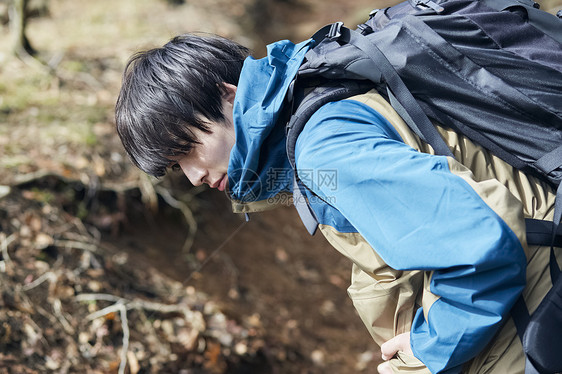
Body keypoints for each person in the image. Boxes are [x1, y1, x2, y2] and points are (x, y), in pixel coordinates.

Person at [114, 33, 559, 373]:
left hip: (534, 315)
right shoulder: (313, 115)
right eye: (177, 167)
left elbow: (481, 241)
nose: (193, 176)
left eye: (189, 149)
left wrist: (431, 346)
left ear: (228, 95)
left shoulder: (322, 150)